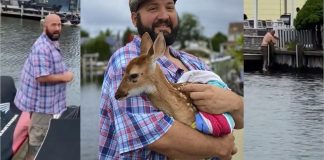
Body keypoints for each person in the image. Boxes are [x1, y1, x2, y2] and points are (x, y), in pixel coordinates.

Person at [99, 0, 244, 159]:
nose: (164, 15)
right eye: (153, 8)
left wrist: (236, 103)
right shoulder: (128, 61)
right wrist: (219, 146)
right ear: (135, 18)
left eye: (170, 7)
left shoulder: (195, 63)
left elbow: (239, 120)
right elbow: (157, 135)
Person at [14, 14, 74, 160]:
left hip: (45, 102)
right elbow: (41, 77)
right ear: (44, 26)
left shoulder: (51, 41)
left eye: (59, 25)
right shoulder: (42, 48)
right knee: (37, 145)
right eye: (53, 25)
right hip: (42, 106)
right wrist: (65, 77)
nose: (57, 28)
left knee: (37, 136)